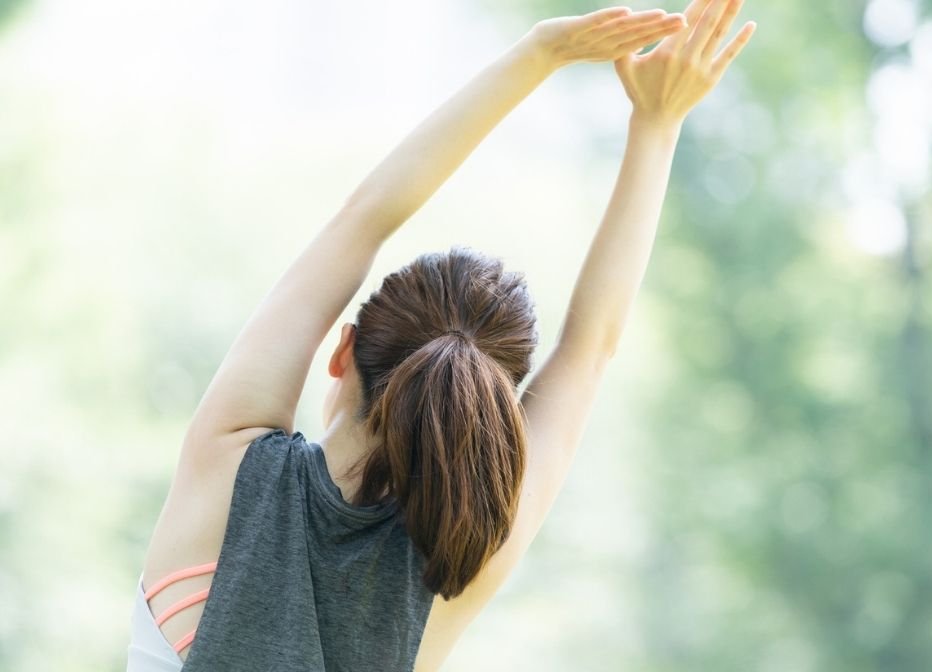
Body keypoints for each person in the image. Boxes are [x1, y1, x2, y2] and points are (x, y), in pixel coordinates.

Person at [125, 1, 755, 670]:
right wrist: (657, 126)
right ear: (484, 409)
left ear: (342, 352)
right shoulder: (459, 567)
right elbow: (590, 350)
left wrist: (537, 55)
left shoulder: (230, 467)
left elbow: (361, 220)